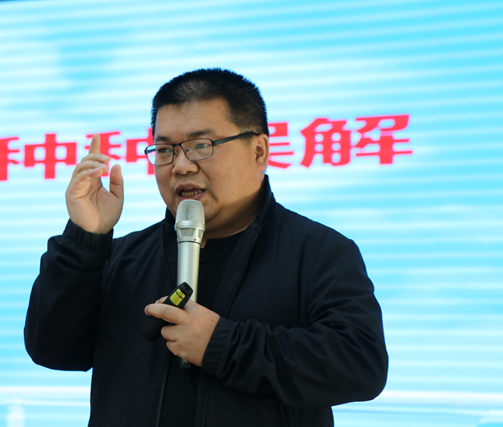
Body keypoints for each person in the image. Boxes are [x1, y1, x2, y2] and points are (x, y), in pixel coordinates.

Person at [24, 68, 388, 427]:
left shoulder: (319, 251)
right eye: (165, 150)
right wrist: (85, 240)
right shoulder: (120, 257)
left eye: (201, 146)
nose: (180, 166)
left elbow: (360, 364)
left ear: (259, 151)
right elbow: (52, 349)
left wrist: (221, 345)